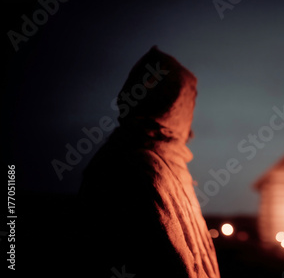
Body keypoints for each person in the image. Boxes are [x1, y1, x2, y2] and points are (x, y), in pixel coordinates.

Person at [77, 46, 220, 278]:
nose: (190, 125)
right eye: (187, 105)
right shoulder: (131, 166)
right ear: (171, 103)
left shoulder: (171, 164)